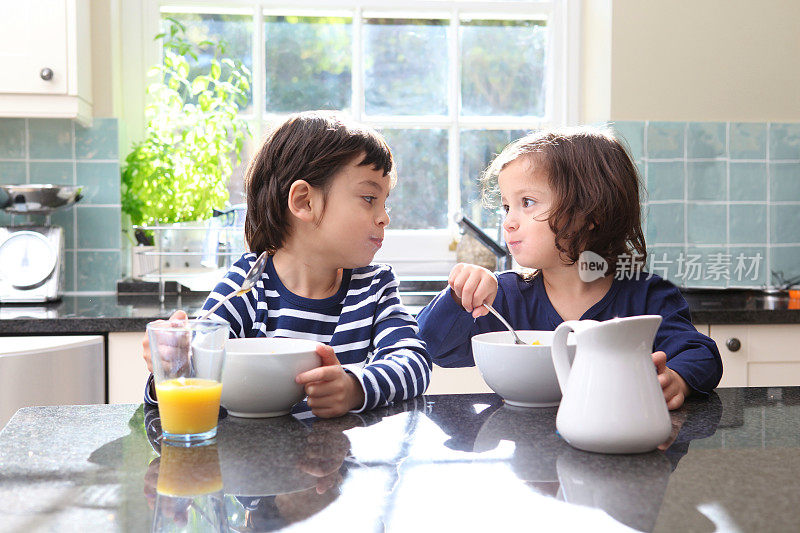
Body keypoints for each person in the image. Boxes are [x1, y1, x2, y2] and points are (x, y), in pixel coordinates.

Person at [142, 111, 431, 418]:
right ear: (305, 201)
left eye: (385, 202)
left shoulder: (374, 288)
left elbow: (412, 360)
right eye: (369, 197)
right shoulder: (248, 285)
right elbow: (198, 369)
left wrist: (355, 387)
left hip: (340, 460)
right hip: (254, 460)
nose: (385, 216)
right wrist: (173, 362)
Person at [417, 126, 722, 410]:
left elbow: (701, 353)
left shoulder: (647, 297)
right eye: (507, 206)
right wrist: (459, 298)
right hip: (528, 452)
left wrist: (678, 379)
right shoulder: (504, 297)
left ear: (591, 213)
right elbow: (431, 346)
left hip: (617, 449)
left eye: (527, 202)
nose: (508, 221)